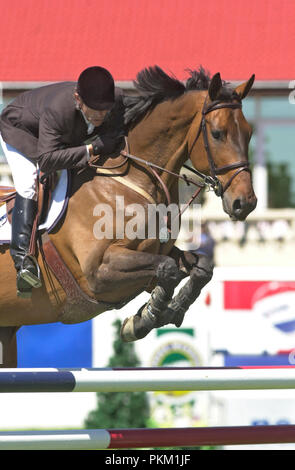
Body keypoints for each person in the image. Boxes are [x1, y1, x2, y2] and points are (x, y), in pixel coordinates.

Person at [0, 66, 125, 298]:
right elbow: (47, 160)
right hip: (22, 132)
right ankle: (22, 262)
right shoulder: (59, 109)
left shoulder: (114, 100)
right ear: (78, 99)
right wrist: (93, 147)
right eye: (95, 110)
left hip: (58, 137)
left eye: (104, 110)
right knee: (29, 183)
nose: (100, 116)